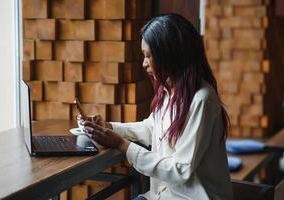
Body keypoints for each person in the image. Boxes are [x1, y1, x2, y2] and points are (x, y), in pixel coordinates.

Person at [83, 14, 233, 200]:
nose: (144, 63)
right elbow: (150, 128)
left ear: (170, 56)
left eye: (148, 56)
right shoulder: (169, 90)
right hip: (161, 195)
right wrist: (110, 128)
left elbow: (180, 170)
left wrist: (121, 144)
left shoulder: (202, 99)